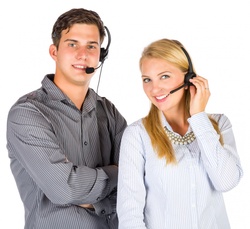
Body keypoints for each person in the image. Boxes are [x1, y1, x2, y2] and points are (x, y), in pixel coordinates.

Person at [6, 8, 127, 229]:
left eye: (91, 46)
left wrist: (91, 195)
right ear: (54, 52)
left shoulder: (109, 112)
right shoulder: (27, 113)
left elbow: (140, 183)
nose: (83, 54)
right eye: (72, 44)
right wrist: (118, 173)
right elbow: (66, 189)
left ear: (101, 54)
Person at [117, 38, 243, 229]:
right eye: (147, 79)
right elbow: (130, 213)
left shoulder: (219, 124)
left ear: (188, 79)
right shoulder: (137, 135)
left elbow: (226, 182)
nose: (154, 88)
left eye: (164, 76)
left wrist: (199, 117)